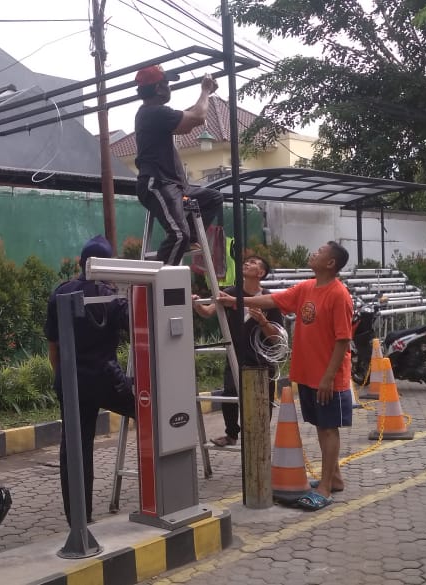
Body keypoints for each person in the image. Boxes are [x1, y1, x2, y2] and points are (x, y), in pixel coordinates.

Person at [217, 242, 353, 511]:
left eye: (320, 251)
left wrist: (328, 377)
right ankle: (334, 478)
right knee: (320, 426)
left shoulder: (339, 295)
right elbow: (272, 300)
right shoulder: (307, 288)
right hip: (307, 373)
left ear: (330, 264)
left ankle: (325, 488)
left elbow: (343, 340)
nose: (314, 252)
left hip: (328, 377)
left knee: (328, 429)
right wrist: (235, 301)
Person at [44, 235, 134, 524]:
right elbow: (141, 332)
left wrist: (62, 379)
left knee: (75, 449)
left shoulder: (61, 292)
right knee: (157, 414)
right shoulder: (113, 296)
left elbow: (53, 347)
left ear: (81, 262)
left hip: (72, 382)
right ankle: (161, 492)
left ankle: (79, 519)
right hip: (108, 380)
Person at [134, 64, 224, 265]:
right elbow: (198, 117)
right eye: (166, 83)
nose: (169, 88)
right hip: (157, 183)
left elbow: (186, 124)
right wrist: (205, 91)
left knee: (213, 198)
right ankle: (163, 284)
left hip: (176, 186)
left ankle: (190, 240)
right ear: (158, 88)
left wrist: (205, 95)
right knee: (178, 235)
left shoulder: (156, 115)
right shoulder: (153, 113)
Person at [192, 255, 284, 447]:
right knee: (230, 395)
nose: (247, 263)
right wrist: (196, 303)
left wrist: (262, 321)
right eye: (246, 261)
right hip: (236, 355)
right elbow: (209, 312)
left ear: (261, 273)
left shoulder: (267, 299)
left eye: (253, 263)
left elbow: (276, 338)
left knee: (263, 401)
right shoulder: (231, 292)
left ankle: (259, 438)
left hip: (261, 359)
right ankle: (231, 434)